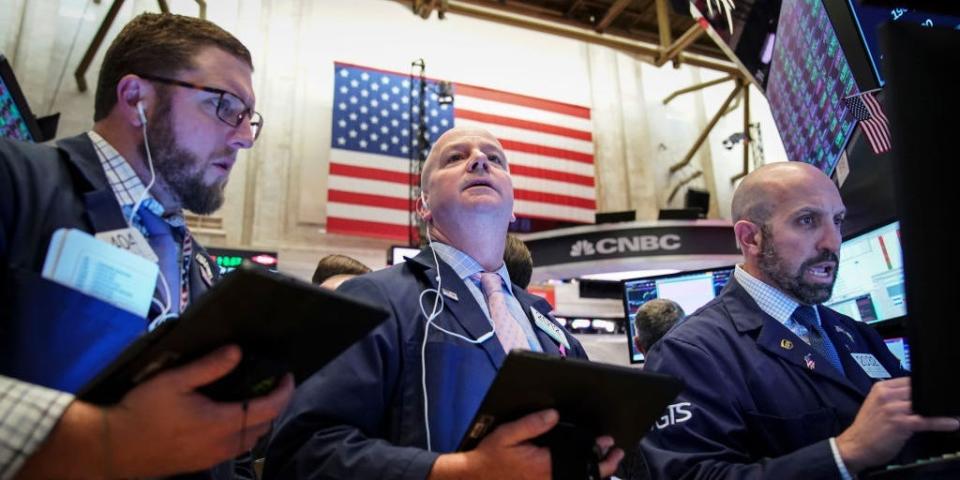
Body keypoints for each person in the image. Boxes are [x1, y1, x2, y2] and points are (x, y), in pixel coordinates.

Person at [0, 13, 293, 479]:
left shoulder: (198, 266)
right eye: (225, 106)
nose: (242, 138)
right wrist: (102, 441)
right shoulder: (15, 178)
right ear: (136, 96)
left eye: (247, 118)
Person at [264, 126, 623, 479]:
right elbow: (302, 452)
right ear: (424, 206)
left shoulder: (550, 327)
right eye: (455, 157)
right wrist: (463, 472)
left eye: (495, 158)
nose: (480, 160)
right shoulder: (375, 300)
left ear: (513, 206)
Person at [640, 162, 960, 479]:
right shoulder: (691, 352)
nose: (832, 242)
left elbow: (925, 425)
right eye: (807, 221)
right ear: (751, 238)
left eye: (837, 221)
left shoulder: (853, 333)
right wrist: (845, 453)